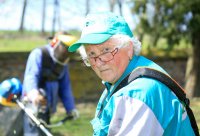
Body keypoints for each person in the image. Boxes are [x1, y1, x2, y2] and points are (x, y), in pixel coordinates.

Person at [68, 12, 196, 136]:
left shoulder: (139, 93)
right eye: (91, 54)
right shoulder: (122, 79)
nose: (99, 63)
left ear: (129, 49)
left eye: (106, 50)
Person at [22, 32, 79, 136]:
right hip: (32, 105)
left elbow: (65, 87)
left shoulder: (63, 63)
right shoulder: (39, 54)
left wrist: (71, 108)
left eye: (68, 51)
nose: (65, 54)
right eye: (64, 50)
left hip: (48, 107)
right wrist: (34, 95)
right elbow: (31, 76)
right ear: (55, 43)